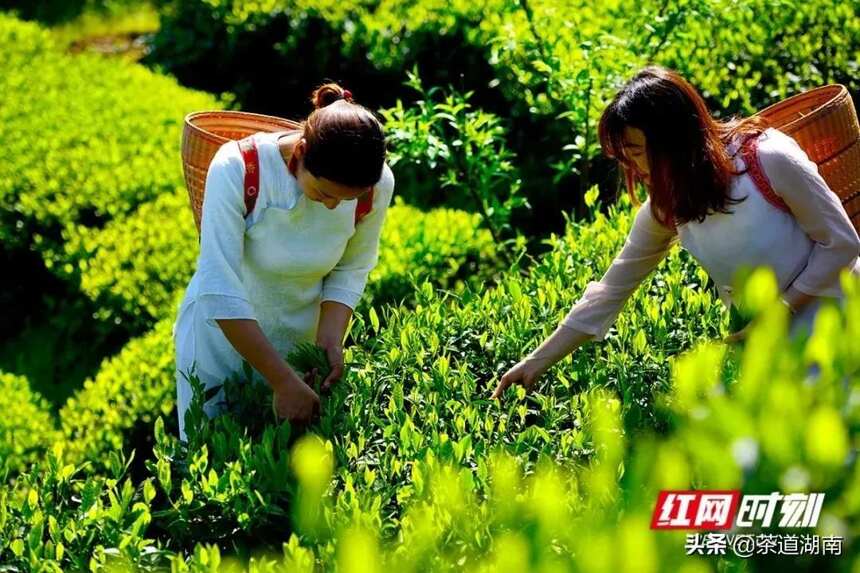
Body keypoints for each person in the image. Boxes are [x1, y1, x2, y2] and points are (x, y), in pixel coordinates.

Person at [493, 66, 860, 398]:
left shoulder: (768, 159)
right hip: (780, 354)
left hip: (843, 324)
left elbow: (841, 243)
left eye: (637, 151)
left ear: (673, 140)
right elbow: (608, 293)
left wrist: (779, 312)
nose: (634, 168)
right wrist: (533, 363)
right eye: (625, 156)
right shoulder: (667, 208)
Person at [174, 83, 395, 441]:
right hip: (221, 345)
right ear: (301, 152)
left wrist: (328, 341)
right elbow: (219, 287)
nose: (332, 207)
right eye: (324, 193)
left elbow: (351, 268)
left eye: (346, 200)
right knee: (214, 464)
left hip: (298, 347)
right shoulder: (238, 168)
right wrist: (281, 380)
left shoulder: (377, 184)